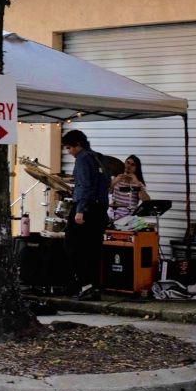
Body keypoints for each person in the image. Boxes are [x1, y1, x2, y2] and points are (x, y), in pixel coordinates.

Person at [62, 129, 111, 301]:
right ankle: (93, 286)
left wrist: (80, 209)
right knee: (92, 249)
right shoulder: (99, 157)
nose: (69, 153)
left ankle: (84, 284)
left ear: (78, 145)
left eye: (69, 148)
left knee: (72, 245)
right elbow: (106, 182)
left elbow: (85, 185)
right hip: (100, 209)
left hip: (86, 208)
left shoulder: (82, 159)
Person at [108, 155, 150, 222]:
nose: (129, 166)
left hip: (129, 220)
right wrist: (114, 182)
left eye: (132, 165)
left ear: (136, 169)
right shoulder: (116, 179)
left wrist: (137, 184)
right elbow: (105, 192)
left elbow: (147, 201)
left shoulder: (138, 183)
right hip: (112, 217)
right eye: (127, 162)